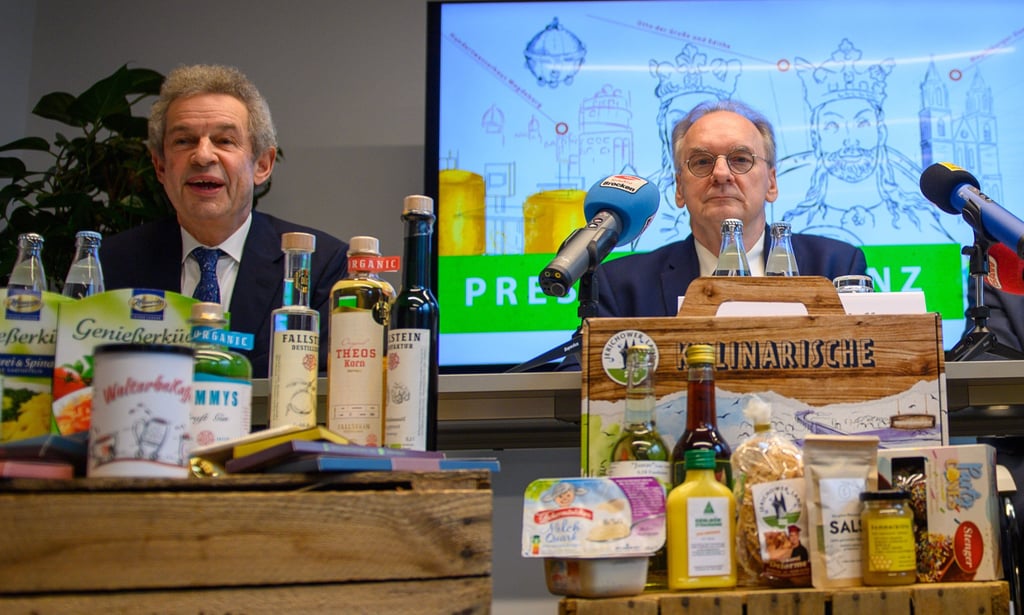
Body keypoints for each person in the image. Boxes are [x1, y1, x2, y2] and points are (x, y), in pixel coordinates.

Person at [101, 64, 348, 377]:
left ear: (262, 164)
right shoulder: (112, 263)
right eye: (184, 141)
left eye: (225, 141)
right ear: (160, 166)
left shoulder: (320, 266)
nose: (203, 156)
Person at [593, 99, 867, 319]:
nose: (721, 174)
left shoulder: (835, 267)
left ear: (771, 183)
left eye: (740, 159)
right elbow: (578, 368)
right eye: (702, 162)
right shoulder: (623, 286)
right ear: (679, 188)